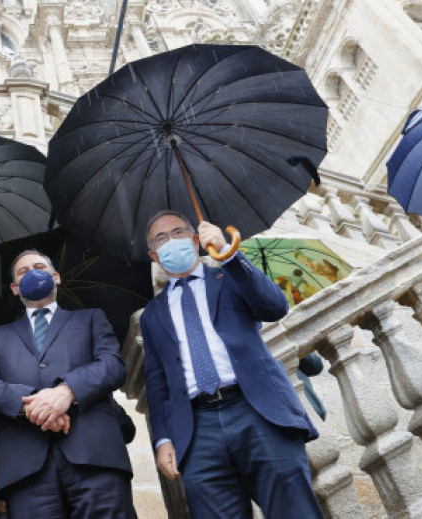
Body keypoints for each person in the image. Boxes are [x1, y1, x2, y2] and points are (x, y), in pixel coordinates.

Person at [138, 211, 323, 519]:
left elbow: (275, 307)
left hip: (258, 412)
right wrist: (163, 439)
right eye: (161, 238)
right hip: (198, 431)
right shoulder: (152, 315)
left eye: (179, 232)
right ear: (154, 255)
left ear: (196, 239)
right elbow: (157, 384)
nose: (171, 241)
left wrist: (230, 255)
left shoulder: (229, 277)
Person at [0, 250, 136, 519]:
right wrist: (33, 404)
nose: (32, 273)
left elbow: (113, 365)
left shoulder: (91, 318)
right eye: (23, 271)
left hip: (94, 459)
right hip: (26, 469)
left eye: (39, 267)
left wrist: (67, 392)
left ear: (56, 277)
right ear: (14, 288)